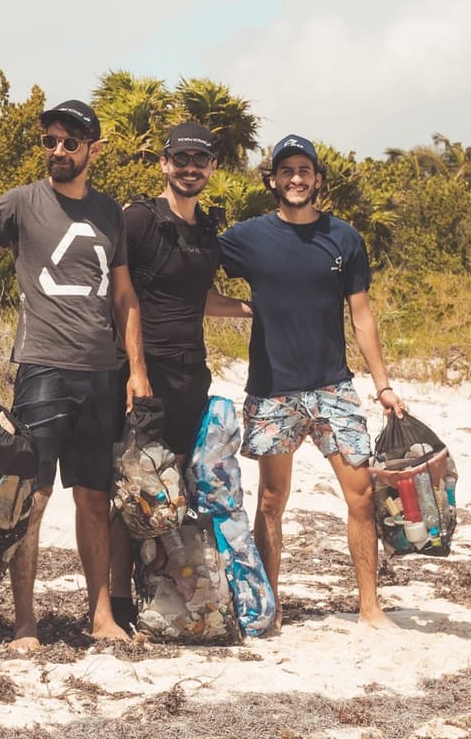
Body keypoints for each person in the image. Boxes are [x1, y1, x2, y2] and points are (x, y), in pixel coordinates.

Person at [0, 99, 151, 649]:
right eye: (50, 140)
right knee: (33, 498)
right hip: (43, 370)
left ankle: (102, 620)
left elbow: (124, 295)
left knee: (95, 499)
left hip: (102, 373)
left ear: (93, 148)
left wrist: (135, 371)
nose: (58, 150)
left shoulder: (110, 212)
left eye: (71, 142)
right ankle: (26, 624)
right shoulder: (22, 203)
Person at [218, 134, 406, 629]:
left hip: (333, 387)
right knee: (272, 501)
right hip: (272, 388)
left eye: (304, 170)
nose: (296, 179)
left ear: (317, 179)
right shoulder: (248, 238)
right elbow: (188, 273)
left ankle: (370, 606)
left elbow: (362, 317)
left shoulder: (344, 238)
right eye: (286, 171)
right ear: (273, 180)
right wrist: (243, 309)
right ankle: (270, 608)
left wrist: (382, 385)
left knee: (361, 494)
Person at [108, 122, 252, 631]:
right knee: (136, 489)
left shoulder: (205, 232)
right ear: (164, 164)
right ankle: (117, 606)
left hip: (193, 374)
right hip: (144, 374)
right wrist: (136, 373)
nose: (190, 168)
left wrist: (251, 309)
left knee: (177, 493)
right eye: (181, 158)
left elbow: (196, 299)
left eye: (200, 160)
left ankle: (165, 599)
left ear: (211, 168)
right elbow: (119, 294)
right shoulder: (139, 220)